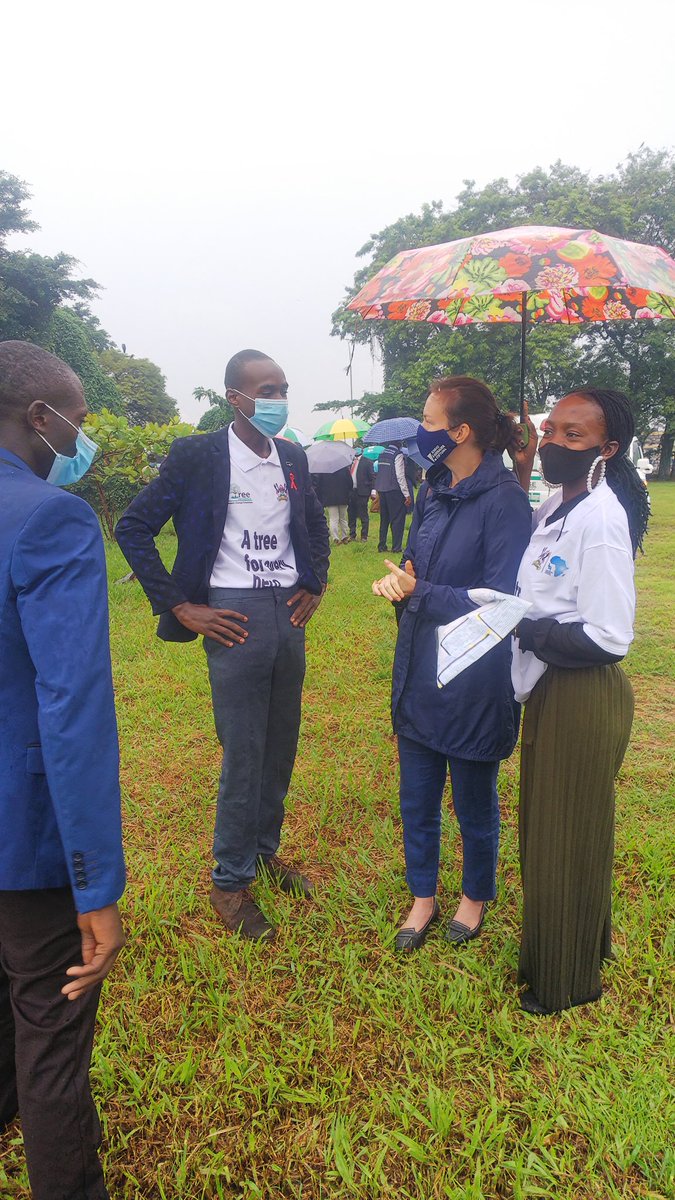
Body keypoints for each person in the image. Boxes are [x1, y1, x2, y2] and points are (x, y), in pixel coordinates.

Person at [116, 349, 330, 943]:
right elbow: (133, 526)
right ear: (234, 397)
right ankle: (229, 882)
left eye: (283, 387)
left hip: (288, 611)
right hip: (233, 616)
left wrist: (315, 581)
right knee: (245, 750)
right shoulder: (198, 456)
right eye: (265, 389)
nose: (276, 399)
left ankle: (263, 852)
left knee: (280, 745)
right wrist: (179, 604)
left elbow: (311, 521)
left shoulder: (291, 456)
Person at [0, 341, 126, 1200]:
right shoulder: (50, 518)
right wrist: (97, 887)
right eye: (76, 421)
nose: (77, 439)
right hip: (25, 838)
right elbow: (72, 708)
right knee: (49, 1033)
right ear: (42, 418)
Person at [372, 377, 532, 952]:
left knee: (472, 802)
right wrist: (401, 583)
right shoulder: (434, 487)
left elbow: (503, 602)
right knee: (416, 799)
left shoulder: (507, 501)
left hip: (472, 675)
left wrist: (420, 592)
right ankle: (423, 898)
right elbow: (418, 565)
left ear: (461, 432)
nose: (422, 431)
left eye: (429, 420)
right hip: (418, 667)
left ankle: (474, 896)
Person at [512, 388, 649, 1015]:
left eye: (575, 436)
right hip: (546, 685)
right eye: (550, 431)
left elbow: (609, 636)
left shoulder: (602, 517)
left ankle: (565, 983)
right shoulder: (552, 506)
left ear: (607, 449)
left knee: (566, 835)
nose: (555, 444)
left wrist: (529, 629)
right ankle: (578, 947)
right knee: (553, 829)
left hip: (581, 691)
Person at [375, 439, 411, 553]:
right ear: (399, 444)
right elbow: (400, 475)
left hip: (381, 489)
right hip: (394, 490)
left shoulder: (381, 455)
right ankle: (396, 547)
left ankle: (382, 545)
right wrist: (407, 494)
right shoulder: (398, 455)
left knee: (384, 519)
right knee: (397, 519)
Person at [312, 464, 352, 544]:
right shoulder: (344, 469)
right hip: (343, 496)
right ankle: (344, 536)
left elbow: (320, 485)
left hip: (330, 498)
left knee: (333, 519)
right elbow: (350, 483)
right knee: (343, 518)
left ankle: (335, 538)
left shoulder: (323, 471)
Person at [348, 448, 376, 541]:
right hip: (351, 491)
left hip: (362, 492)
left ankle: (364, 536)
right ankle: (352, 534)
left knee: (363, 514)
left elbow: (372, 477)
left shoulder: (367, 462)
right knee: (351, 514)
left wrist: (373, 491)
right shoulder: (350, 461)